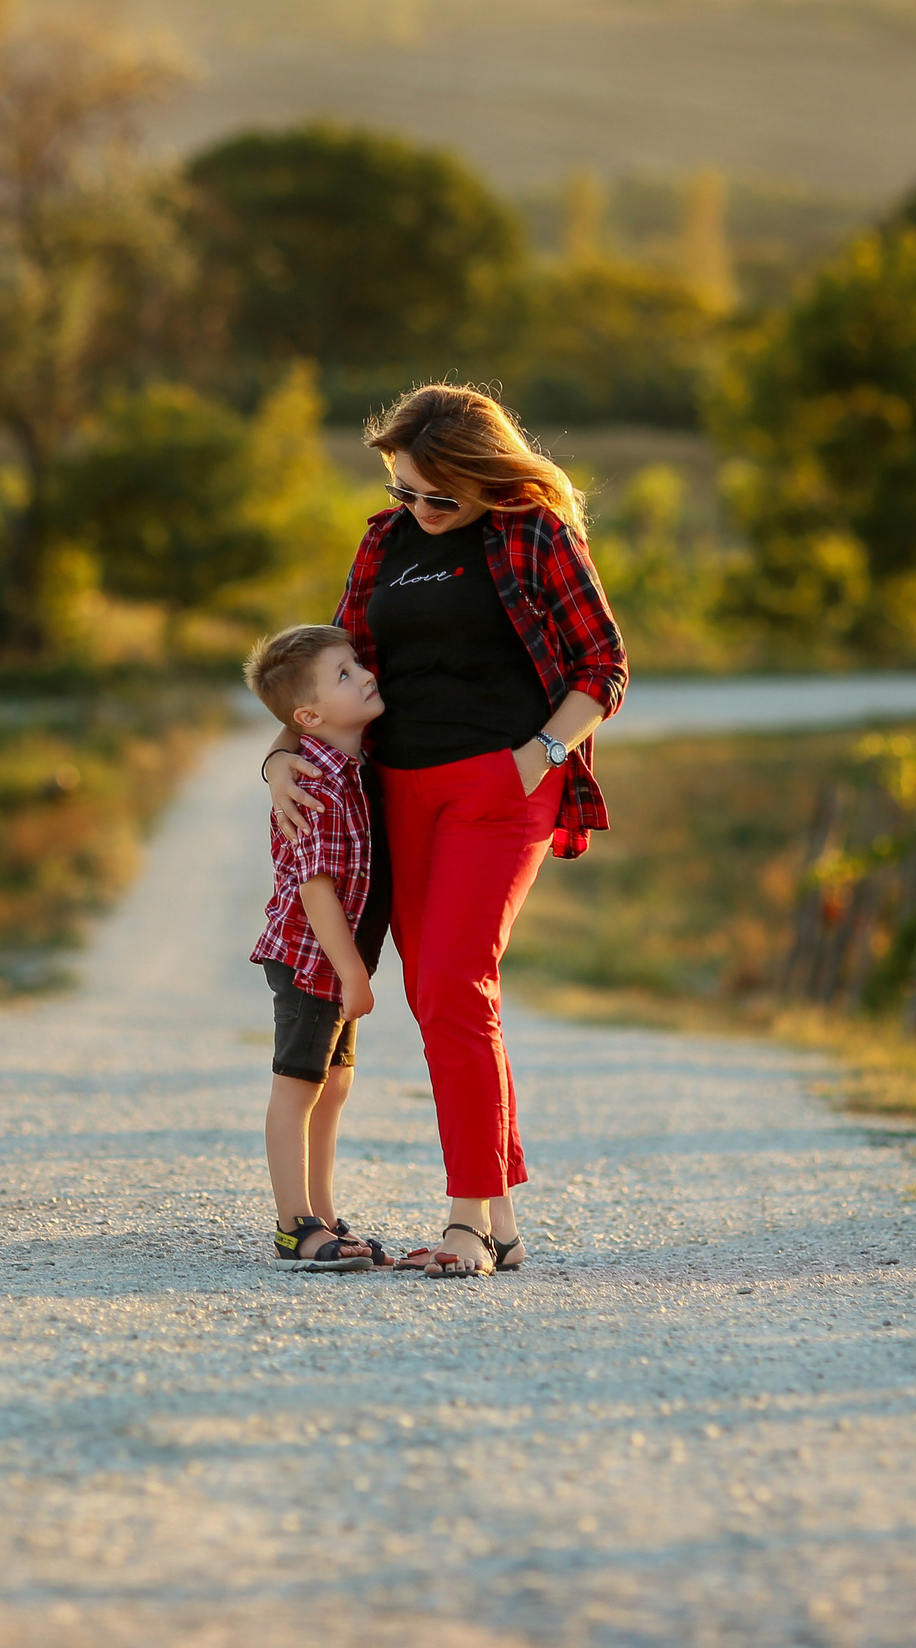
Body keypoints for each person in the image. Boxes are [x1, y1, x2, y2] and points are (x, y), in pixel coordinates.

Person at [267, 384, 628, 1279]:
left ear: (484, 479)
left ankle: (466, 1220)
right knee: (437, 998)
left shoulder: (534, 533)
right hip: (395, 790)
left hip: (501, 787)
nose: (418, 511)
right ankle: (498, 1221)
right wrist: (280, 756)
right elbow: (336, 660)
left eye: (439, 496)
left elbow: (604, 665)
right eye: (404, 491)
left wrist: (538, 756)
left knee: (457, 985)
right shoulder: (383, 543)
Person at [243, 623, 395, 1272]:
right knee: (298, 1086)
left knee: (334, 1086)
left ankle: (325, 1212)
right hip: (312, 959)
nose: (364, 673)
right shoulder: (317, 783)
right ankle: (292, 1225)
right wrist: (352, 972)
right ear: (308, 716)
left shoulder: (350, 766)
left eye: (357, 663)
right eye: (344, 674)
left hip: (330, 961)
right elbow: (316, 890)